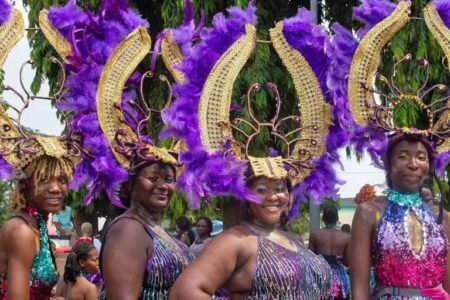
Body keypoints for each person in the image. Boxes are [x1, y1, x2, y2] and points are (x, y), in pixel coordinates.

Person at [165, 3, 341, 298]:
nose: (273, 195)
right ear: (245, 194)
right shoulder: (236, 240)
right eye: (261, 188)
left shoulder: (293, 239)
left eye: (280, 187)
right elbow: (185, 292)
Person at [309, 206, 351, 299]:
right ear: (337, 218)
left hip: (320, 277)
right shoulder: (346, 237)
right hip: (339, 281)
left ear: (323, 218)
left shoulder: (315, 234)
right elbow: (347, 262)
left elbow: (310, 258)